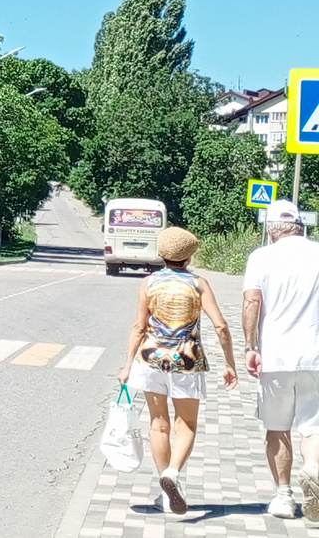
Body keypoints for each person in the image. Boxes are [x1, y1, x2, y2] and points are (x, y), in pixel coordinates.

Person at [118, 226, 238, 515]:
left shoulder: (148, 283)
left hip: (150, 359)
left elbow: (138, 326)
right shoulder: (199, 284)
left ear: (161, 253)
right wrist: (229, 363)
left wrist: (127, 365)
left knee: (158, 423)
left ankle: (163, 492)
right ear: (190, 255)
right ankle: (172, 473)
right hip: (187, 360)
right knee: (186, 424)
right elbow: (220, 325)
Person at [242, 198, 319, 521]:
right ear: (299, 226)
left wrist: (251, 346)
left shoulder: (262, 256)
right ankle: (313, 468)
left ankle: (284, 497)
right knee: (313, 426)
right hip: (316, 355)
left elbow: (251, 301)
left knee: (277, 429)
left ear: (271, 230)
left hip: (274, 355)